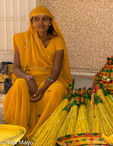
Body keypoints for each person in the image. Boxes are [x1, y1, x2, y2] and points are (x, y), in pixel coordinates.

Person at [3, 6, 72, 138]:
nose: (41, 23)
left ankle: (44, 131)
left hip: (49, 80)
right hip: (28, 79)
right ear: (32, 22)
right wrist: (28, 78)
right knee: (19, 85)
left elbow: (56, 70)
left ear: (50, 22)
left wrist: (44, 87)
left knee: (58, 90)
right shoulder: (21, 39)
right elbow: (16, 67)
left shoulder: (57, 41)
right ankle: (20, 130)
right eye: (37, 19)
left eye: (45, 19)